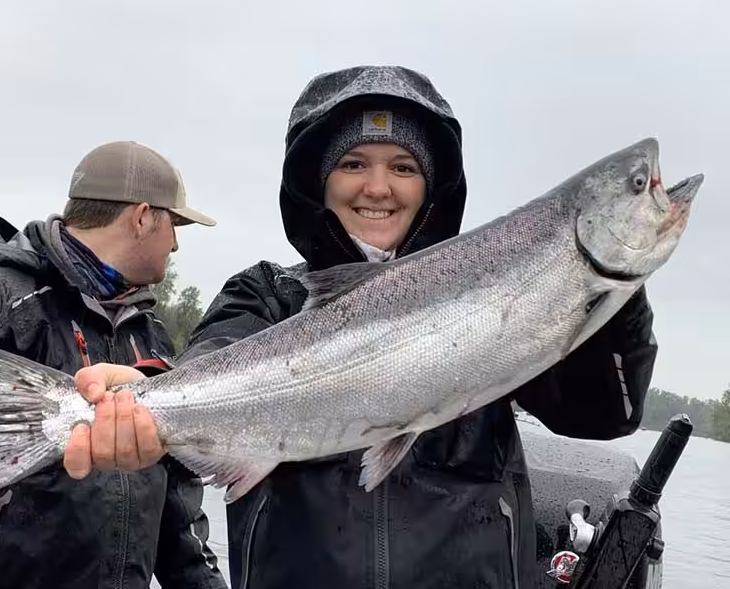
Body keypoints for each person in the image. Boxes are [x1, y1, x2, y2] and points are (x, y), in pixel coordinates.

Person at [63, 67, 658, 588]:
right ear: (319, 182)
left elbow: (604, 414)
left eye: (402, 166)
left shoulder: (500, 301)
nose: (377, 187)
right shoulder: (268, 293)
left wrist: (607, 289)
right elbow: (212, 361)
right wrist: (144, 391)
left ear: (431, 187)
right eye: (353, 164)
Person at [0, 141, 228, 589]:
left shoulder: (150, 336)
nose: (177, 244)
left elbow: (178, 508)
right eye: (174, 224)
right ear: (142, 217)